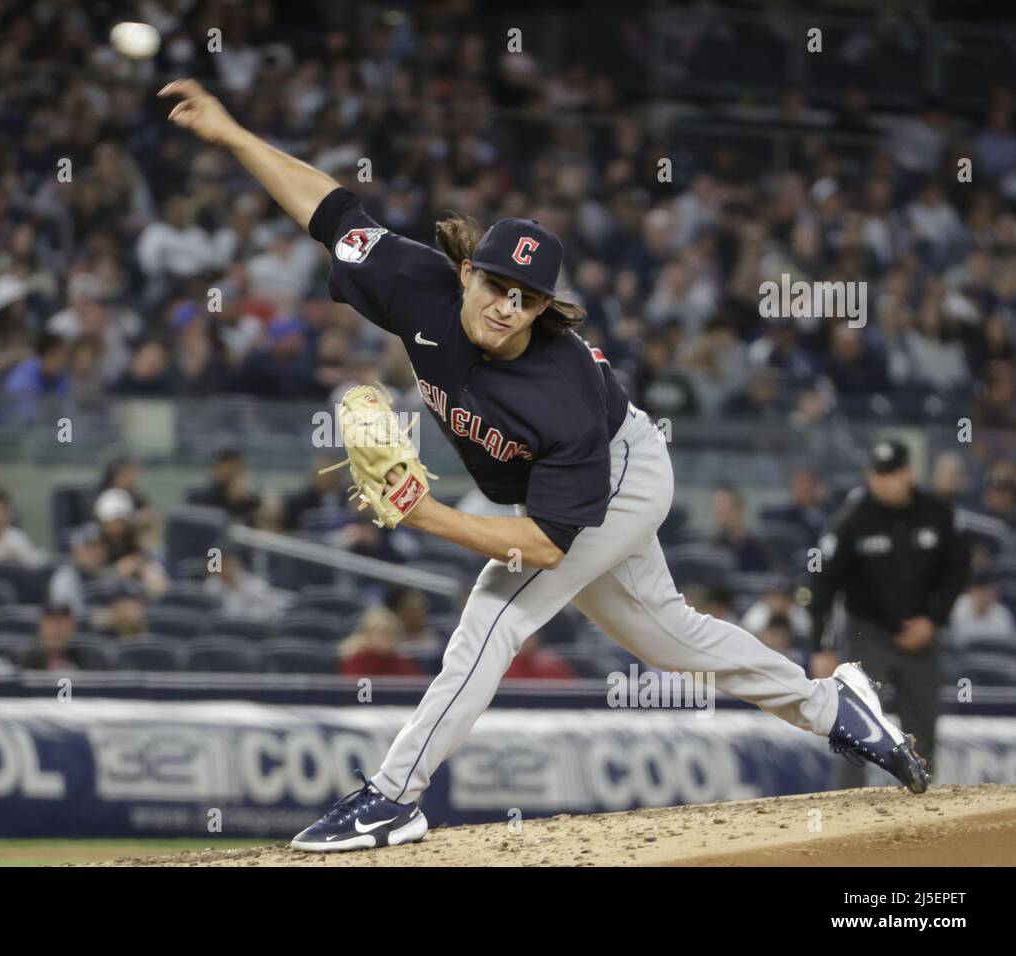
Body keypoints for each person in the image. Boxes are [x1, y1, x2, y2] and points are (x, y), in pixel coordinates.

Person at [161, 78, 930, 854]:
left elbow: (543, 547)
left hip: (619, 470)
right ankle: (835, 707)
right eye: (497, 285)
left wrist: (424, 513)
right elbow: (327, 211)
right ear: (467, 274)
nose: (506, 308)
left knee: (495, 615)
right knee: (673, 639)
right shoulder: (415, 283)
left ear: (543, 307)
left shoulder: (557, 392)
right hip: (546, 488)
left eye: (527, 299)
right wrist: (230, 134)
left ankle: (393, 797)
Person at [805, 439, 970, 770]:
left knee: (923, 730)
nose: (883, 481)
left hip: (920, 634)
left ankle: (924, 809)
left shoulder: (936, 513)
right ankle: (846, 811)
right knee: (855, 725)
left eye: (890, 473)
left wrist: (934, 620)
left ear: (908, 473)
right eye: (877, 473)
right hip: (867, 634)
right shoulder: (853, 518)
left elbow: (957, 569)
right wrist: (821, 646)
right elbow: (821, 583)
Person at [338, 608, 422, 678]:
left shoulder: (404, 663)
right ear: (366, 634)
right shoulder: (356, 662)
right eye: (381, 631)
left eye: (391, 631)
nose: (387, 636)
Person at [948, 570, 1016, 648]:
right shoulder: (957, 608)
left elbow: (1008, 646)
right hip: (964, 656)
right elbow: (954, 642)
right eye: (980, 591)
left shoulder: (1002, 615)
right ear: (971, 591)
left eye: (987, 591)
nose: (984, 596)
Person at [22, 603, 96, 670]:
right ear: (41, 626)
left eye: (61, 623)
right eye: (51, 622)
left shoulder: (85, 658)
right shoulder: (28, 660)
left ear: (72, 626)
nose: (56, 630)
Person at [503, 632, 576, 680]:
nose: (526, 641)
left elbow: (571, 695)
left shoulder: (553, 666)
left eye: (529, 636)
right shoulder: (503, 669)